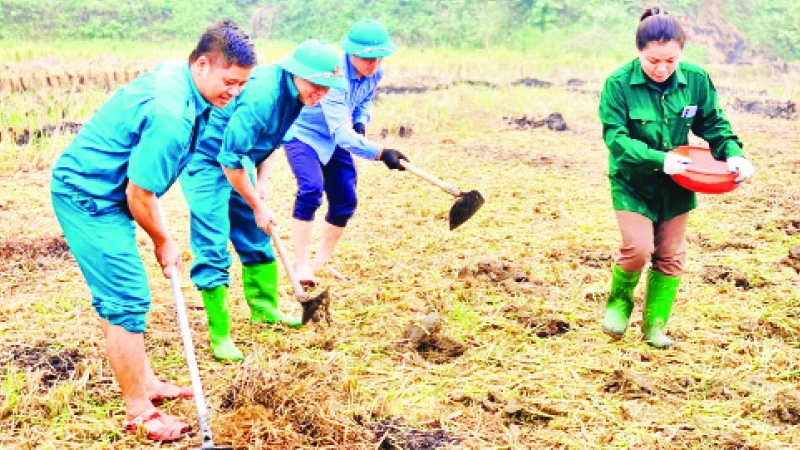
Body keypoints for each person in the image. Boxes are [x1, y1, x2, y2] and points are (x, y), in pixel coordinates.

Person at [50, 21, 256, 441]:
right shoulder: (171, 115)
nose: (233, 92)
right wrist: (164, 240)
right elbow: (139, 194)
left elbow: (141, 183)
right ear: (202, 64)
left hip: (107, 189)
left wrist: (161, 234)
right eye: (229, 81)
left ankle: (147, 383)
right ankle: (139, 410)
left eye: (241, 85)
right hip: (87, 196)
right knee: (127, 297)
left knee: (120, 293)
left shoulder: (181, 83)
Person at [598, 8, 755, 349]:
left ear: (681, 52)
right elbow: (616, 139)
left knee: (669, 254)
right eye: (653, 60)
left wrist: (733, 153)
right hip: (633, 182)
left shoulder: (696, 80)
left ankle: (654, 325)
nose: (662, 68)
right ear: (639, 51)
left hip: (679, 183)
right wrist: (658, 159)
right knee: (638, 249)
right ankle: (619, 304)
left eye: (671, 60)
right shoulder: (618, 84)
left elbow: (713, 123)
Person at [180, 39, 345, 362]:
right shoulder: (263, 96)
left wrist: (261, 183)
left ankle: (265, 308)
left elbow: (269, 142)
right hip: (207, 159)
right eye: (317, 84)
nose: (321, 92)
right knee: (213, 240)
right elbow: (229, 158)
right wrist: (256, 203)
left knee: (257, 234)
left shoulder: (295, 95)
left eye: (328, 87)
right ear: (296, 72)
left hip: (240, 162)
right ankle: (221, 334)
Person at [284, 19, 409, 285]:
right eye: (368, 58)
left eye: (379, 58)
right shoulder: (334, 74)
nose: (374, 64)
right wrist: (382, 152)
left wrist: (361, 121)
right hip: (304, 134)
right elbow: (342, 134)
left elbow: (363, 101)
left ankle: (322, 261)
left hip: (336, 136)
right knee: (311, 189)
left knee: (345, 198)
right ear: (352, 52)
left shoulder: (376, 71)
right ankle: (301, 264)